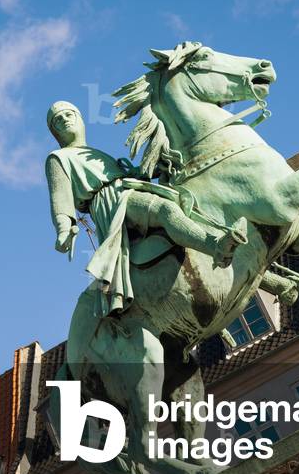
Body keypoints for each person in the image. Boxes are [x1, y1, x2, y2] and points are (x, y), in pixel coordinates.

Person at [45, 101, 247, 317]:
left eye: (69, 114)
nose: (65, 119)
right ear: (55, 132)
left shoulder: (93, 153)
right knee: (165, 210)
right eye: (58, 119)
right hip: (112, 202)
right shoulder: (58, 158)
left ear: (80, 119)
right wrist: (64, 230)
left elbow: (127, 177)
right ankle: (216, 247)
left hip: (127, 190)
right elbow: (59, 196)